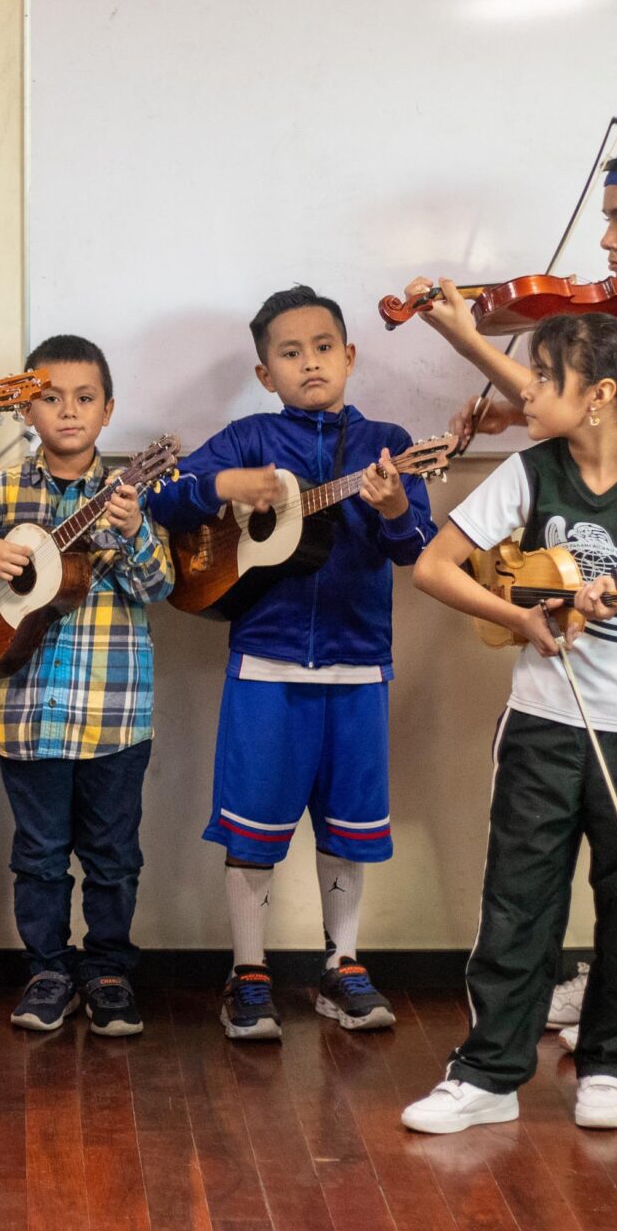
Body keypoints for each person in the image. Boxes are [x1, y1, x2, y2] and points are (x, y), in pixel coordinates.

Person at [402, 136, 617, 1055]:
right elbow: (586, 417)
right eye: (608, 222)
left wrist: (469, 339)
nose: (609, 245)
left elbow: (600, 416)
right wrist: (515, 409)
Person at [404, 314, 617, 1134]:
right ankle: (488, 1075)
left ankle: (610, 1067)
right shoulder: (529, 468)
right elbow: (434, 566)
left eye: (543, 379)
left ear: (601, 394)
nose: (526, 392)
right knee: (517, 898)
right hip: (545, 715)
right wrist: (523, 611)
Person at [145, 285, 433, 1041]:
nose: (311, 362)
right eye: (290, 352)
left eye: (324, 347)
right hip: (266, 666)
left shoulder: (390, 442)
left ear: (350, 355)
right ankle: (249, 971)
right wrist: (219, 486)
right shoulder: (247, 439)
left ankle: (342, 964)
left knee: (350, 826)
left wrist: (396, 507)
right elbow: (165, 500)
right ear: (265, 372)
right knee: (254, 827)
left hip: (358, 665)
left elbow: (417, 551)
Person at [0, 334, 171, 1036]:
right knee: (37, 855)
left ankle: (107, 971)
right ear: (27, 411)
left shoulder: (129, 491)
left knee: (112, 855)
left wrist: (130, 532)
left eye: (86, 398)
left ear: (108, 411)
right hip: (25, 708)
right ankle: (46, 970)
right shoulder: (5, 488)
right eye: (50, 398)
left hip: (115, 712)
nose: (68, 411)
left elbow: (158, 585)